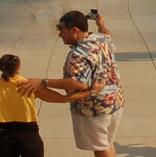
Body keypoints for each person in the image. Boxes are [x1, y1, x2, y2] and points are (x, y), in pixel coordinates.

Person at [52, 10, 124, 157]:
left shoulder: (78, 54)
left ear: (74, 30)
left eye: (62, 30)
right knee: (107, 143)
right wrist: (101, 25)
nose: (60, 34)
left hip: (93, 108)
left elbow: (77, 83)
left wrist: (44, 83)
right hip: (114, 102)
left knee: (100, 148)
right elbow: (107, 34)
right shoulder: (102, 39)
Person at [0, 54, 49, 157]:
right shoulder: (29, 85)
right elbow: (57, 98)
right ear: (19, 67)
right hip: (27, 132)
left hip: (2, 132)